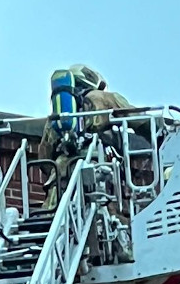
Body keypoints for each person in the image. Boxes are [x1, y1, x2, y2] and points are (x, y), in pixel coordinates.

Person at [38, 64, 134, 211]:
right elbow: (138, 118)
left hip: (60, 176)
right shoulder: (104, 98)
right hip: (98, 169)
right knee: (108, 214)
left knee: (54, 215)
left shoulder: (56, 118)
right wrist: (161, 133)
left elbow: (44, 156)